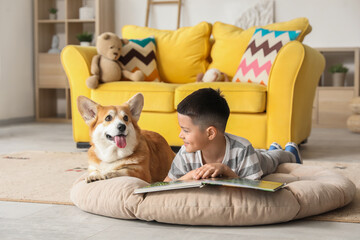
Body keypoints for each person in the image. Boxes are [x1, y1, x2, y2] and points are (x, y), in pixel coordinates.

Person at [163, 88, 302, 182]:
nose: (180, 135)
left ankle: (290, 153)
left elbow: (254, 189)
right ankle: (273, 149)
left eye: (186, 130)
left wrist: (225, 170)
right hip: (248, 155)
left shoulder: (243, 149)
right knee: (266, 153)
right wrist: (190, 175)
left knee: (273, 158)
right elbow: (165, 185)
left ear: (210, 133)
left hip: (257, 159)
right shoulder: (185, 153)